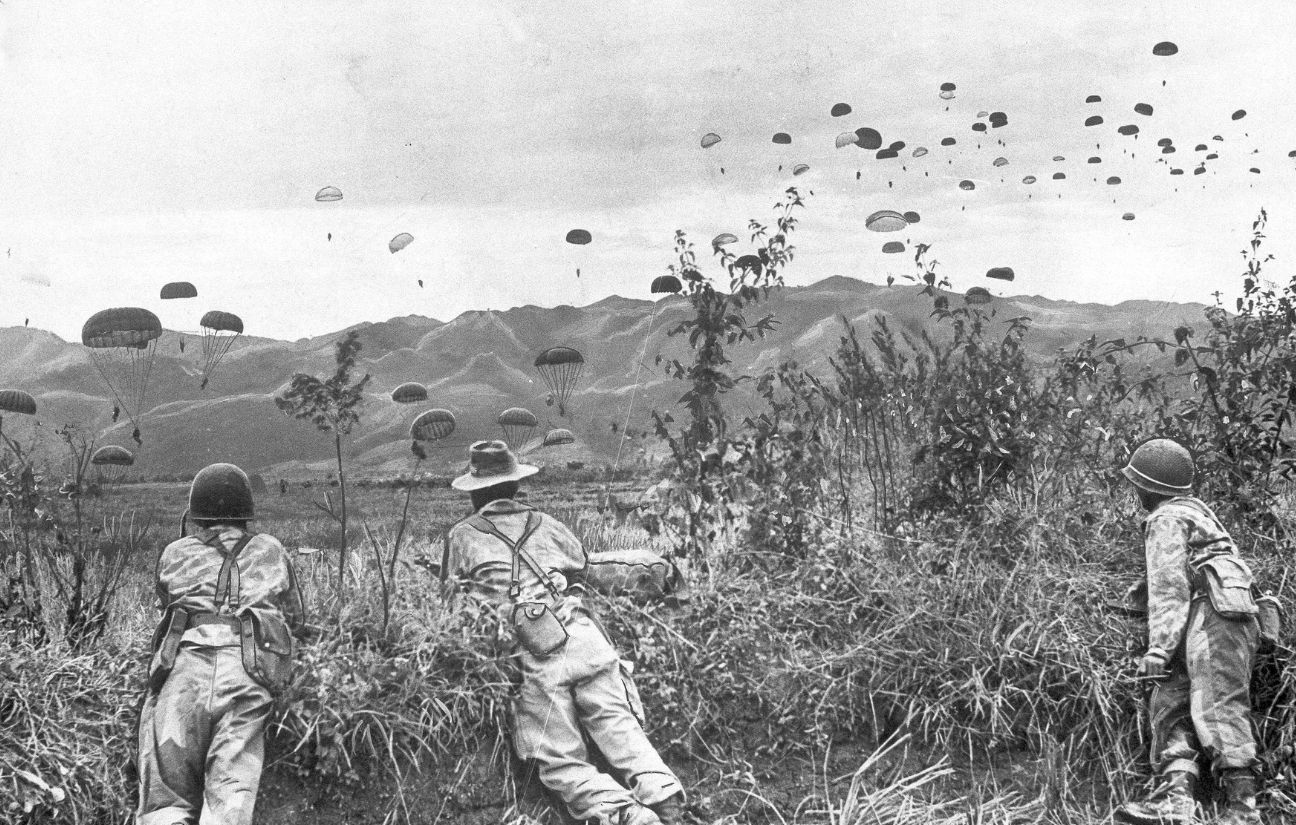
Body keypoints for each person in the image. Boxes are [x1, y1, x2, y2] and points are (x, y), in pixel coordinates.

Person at [440, 441, 684, 825]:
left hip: (535, 655)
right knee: (617, 724)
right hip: (584, 636)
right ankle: (666, 799)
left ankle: (628, 816)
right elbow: (580, 564)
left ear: (473, 491)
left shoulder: (462, 535)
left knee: (559, 760)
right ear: (516, 486)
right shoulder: (547, 523)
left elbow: (451, 602)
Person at [136, 463, 305, 825]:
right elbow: (296, 616)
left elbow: (165, 602)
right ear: (247, 514)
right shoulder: (272, 549)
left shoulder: (174, 552)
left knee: (165, 800)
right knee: (230, 800)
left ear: (196, 513)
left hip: (184, 673)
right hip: (248, 674)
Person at [1115, 439, 1262, 825]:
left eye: (1137, 485)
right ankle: (1174, 799)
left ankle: (1243, 810)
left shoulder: (1167, 518)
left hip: (1212, 618)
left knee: (1218, 705)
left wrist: (1158, 650)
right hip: (1206, 616)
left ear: (1150, 486)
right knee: (1171, 699)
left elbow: (1169, 589)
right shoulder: (1198, 515)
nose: (1136, 492)